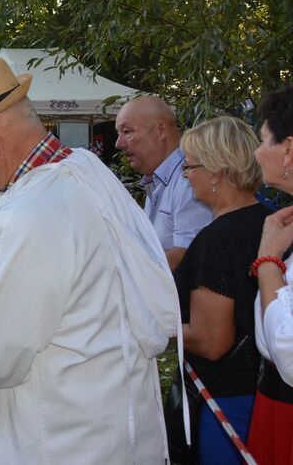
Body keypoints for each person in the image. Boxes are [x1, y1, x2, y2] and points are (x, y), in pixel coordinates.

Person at [0, 56, 177, 464]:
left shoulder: (30, 215)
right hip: (105, 421)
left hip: (60, 438)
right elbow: (51, 277)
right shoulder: (83, 168)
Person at [172, 117, 269, 464]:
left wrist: (153, 325)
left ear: (215, 171)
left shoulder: (217, 240)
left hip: (226, 401)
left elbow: (212, 342)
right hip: (266, 393)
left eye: (190, 166)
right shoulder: (272, 221)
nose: (185, 175)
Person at [246, 86, 293, 464]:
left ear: (288, 149)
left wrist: (267, 261)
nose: (257, 152)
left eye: (262, 141)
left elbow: (290, 352)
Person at [116, 95, 213, 270]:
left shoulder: (190, 180)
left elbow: (189, 256)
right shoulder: (158, 180)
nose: (119, 143)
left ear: (161, 130)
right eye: (119, 134)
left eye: (127, 132)